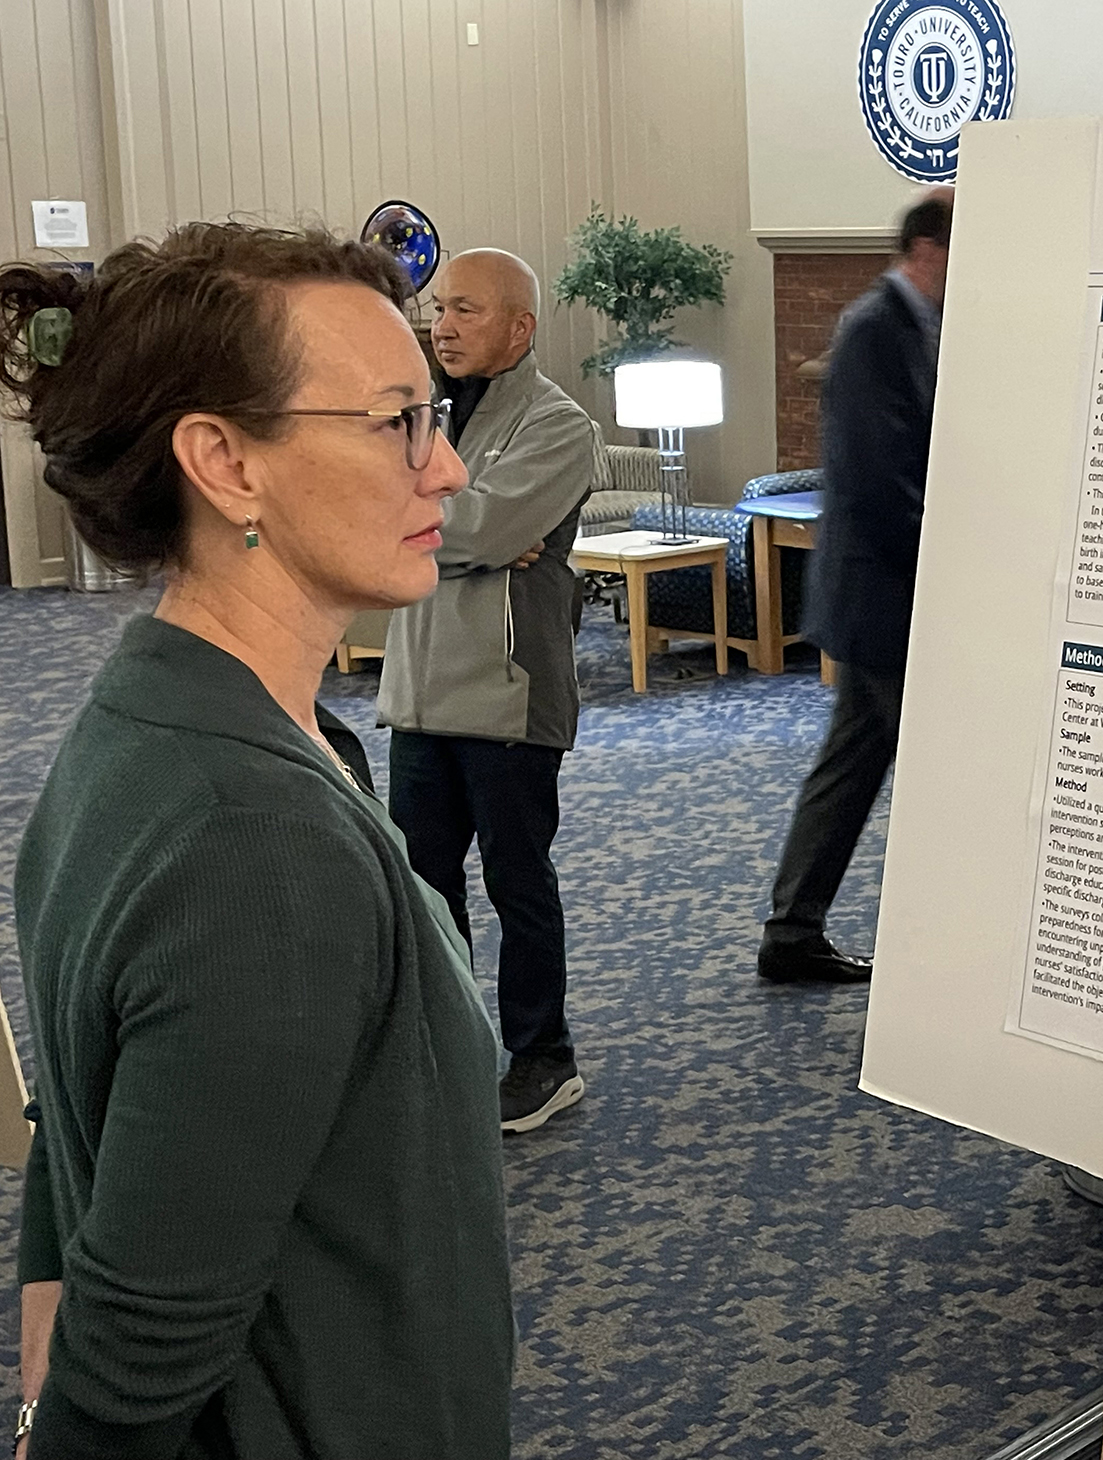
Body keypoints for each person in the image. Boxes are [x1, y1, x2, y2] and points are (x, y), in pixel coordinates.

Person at [0, 223, 511, 1457]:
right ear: (225, 461)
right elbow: (133, 1349)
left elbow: (80, 1154)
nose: (442, 470)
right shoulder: (254, 840)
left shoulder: (158, 716)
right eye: (398, 421)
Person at [379, 247, 607, 1132]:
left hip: (508, 695)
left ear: (521, 326)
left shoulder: (558, 426)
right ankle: (448, 1051)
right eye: (440, 308)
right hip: (418, 694)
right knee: (425, 892)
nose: (444, 325)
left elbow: (478, 525)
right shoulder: (416, 414)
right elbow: (428, 521)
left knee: (518, 881)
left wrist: (437, 525)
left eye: (467, 310)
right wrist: (457, 528)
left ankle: (544, 1057)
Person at [758, 190, 952, 985]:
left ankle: (792, 931)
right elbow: (878, 480)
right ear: (927, 252)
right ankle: (945, 953)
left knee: (849, 768)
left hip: (884, 594)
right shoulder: (877, 328)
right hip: (887, 594)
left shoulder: (921, 326)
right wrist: (946, 568)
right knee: (941, 773)